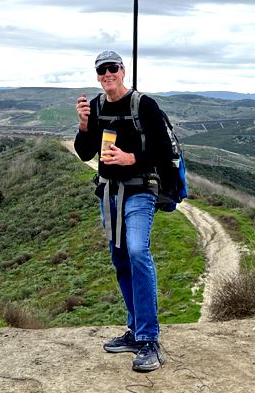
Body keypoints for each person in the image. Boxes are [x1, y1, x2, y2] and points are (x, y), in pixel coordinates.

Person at [74, 50, 172, 372]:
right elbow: (85, 152)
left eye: (112, 68)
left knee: (136, 252)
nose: (107, 75)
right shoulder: (99, 107)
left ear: (123, 70)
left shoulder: (144, 105)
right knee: (120, 258)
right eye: (102, 70)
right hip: (109, 193)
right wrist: (85, 124)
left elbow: (162, 149)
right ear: (98, 75)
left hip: (141, 190)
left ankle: (149, 339)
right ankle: (134, 330)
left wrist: (132, 159)